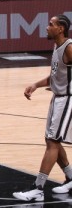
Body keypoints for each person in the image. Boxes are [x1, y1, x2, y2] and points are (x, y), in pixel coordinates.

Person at [12, 15, 72, 202]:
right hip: (57, 98)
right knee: (51, 140)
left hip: (68, 99)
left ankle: (38, 188)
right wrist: (36, 85)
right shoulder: (57, 46)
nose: (47, 27)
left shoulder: (69, 48)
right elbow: (55, 75)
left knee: (53, 142)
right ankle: (71, 177)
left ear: (61, 28)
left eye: (51, 25)